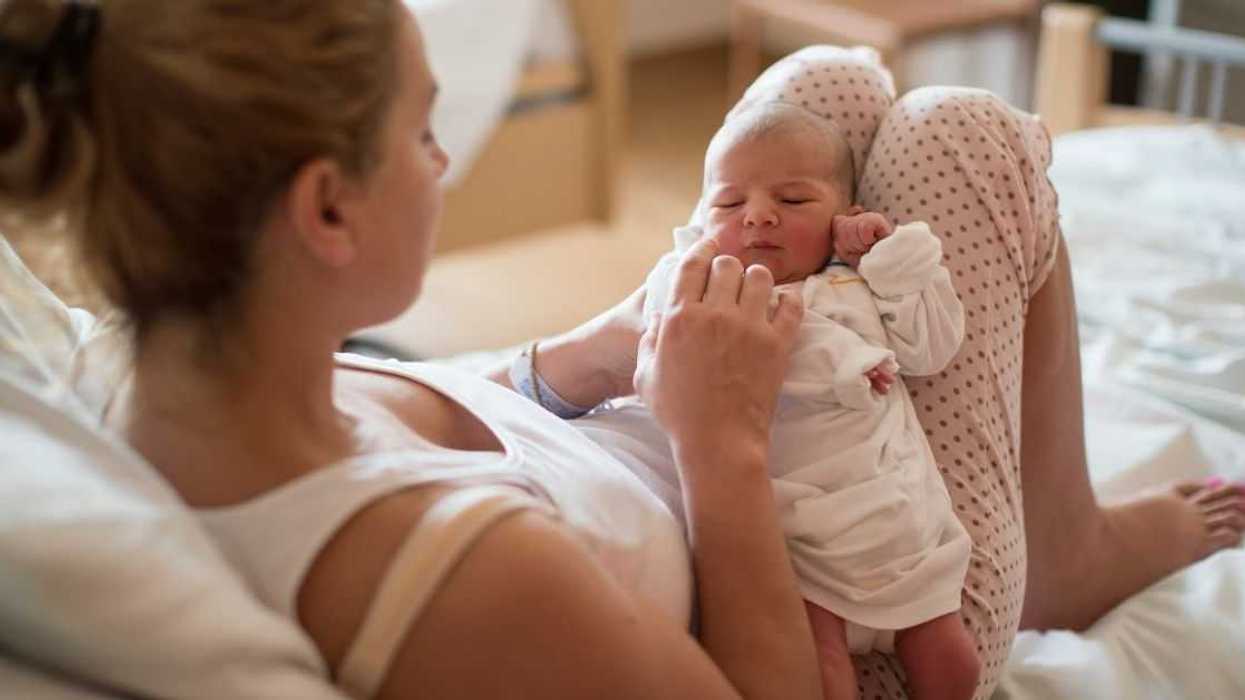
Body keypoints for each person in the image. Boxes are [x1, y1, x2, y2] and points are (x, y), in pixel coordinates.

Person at [1, 3, 1241, 699]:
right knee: (962, 137)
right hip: (848, 578)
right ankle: (1058, 551)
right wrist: (721, 441)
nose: (442, 164)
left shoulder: (147, 372)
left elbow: (466, 414)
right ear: (327, 211)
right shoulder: (467, 580)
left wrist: (589, 355)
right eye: (425, 135)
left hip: (722, 416)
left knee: (823, 91)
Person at [578, 100, 980, 700]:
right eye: (729, 203)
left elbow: (934, 349)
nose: (758, 217)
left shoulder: (855, 282)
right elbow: (676, 346)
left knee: (955, 668)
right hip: (795, 540)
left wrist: (889, 255)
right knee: (822, 672)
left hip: (897, 530)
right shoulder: (714, 293)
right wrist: (848, 366)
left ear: (844, 215)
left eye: (792, 201)